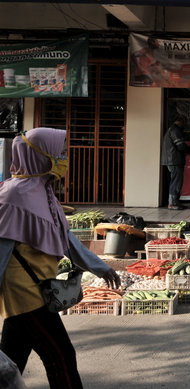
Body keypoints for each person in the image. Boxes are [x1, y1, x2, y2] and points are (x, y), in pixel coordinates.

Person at [0, 128, 120, 388]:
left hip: (41, 286)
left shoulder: (45, 192)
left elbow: (67, 239)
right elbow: (1, 249)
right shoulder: (13, 196)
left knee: (10, 364)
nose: (63, 158)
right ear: (39, 155)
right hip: (23, 292)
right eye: (59, 153)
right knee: (61, 356)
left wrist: (100, 268)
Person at [161, 114, 190, 210]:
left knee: (174, 181)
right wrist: (189, 150)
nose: (185, 124)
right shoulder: (175, 130)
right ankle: (172, 203)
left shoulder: (172, 129)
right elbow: (181, 146)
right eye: (185, 122)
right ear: (180, 121)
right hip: (174, 160)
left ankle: (175, 202)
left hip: (171, 160)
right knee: (175, 182)